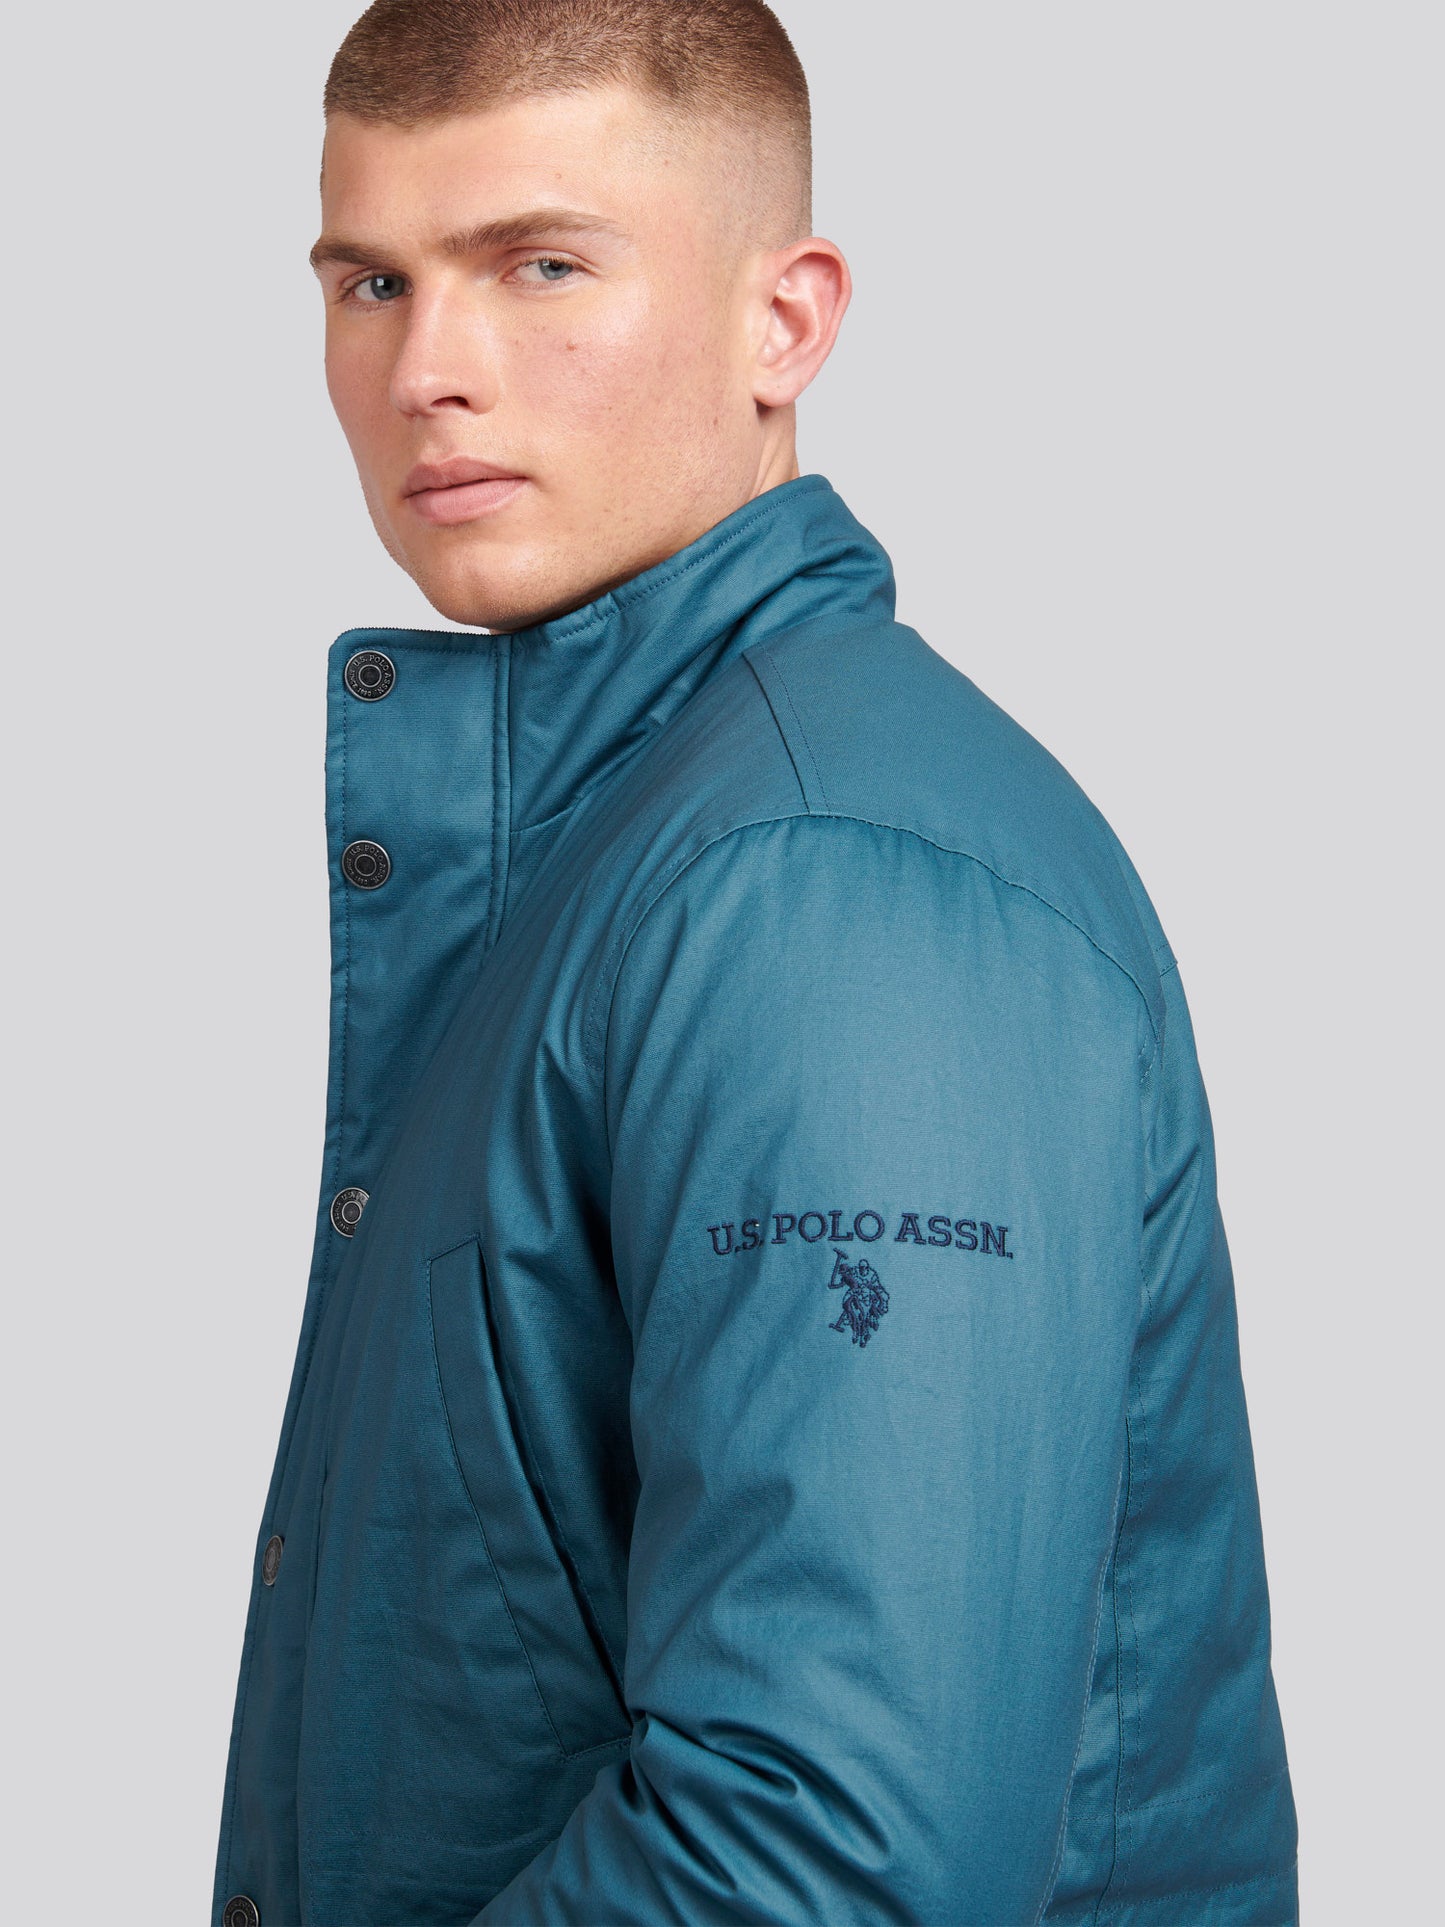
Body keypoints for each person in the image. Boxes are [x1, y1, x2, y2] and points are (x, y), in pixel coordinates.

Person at [211, 2, 1297, 1922]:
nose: (428, 369)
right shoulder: (626, 852)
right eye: (371, 281)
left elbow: (825, 1861)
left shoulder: (824, 883)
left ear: (781, 323)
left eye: (539, 266)